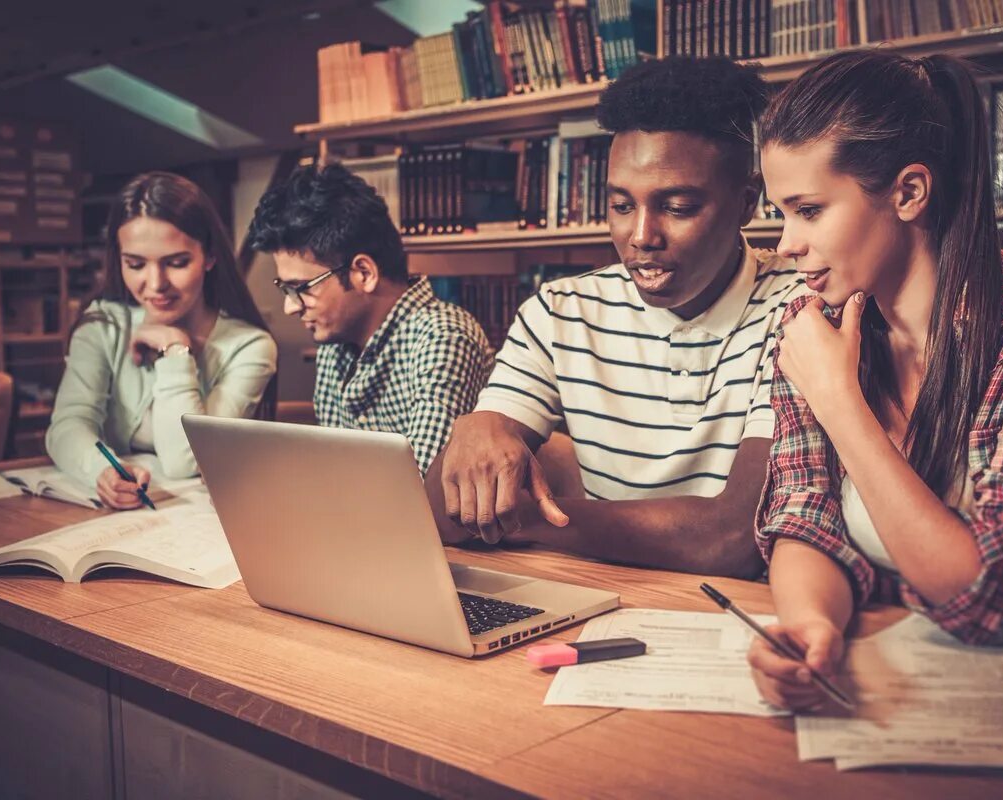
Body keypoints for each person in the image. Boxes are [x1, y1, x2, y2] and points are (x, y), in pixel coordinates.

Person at [749, 50, 1003, 710]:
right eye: (780, 212)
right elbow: (805, 517)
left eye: (809, 210)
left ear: (908, 193)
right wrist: (811, 624)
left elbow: (988, 599)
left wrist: (841, 402)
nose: (785, 243)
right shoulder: (811, 327)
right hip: (919, 672)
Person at [428, 57, 806, 578]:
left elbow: (734, 537)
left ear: (745, 202)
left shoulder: (798, 309)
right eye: (622, 205)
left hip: (748, 619)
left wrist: (516, 518)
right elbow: (444, 512)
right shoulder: (559, 313)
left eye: (676, 206)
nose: (641, 236)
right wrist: (479, 427)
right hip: (602, 594)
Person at [47, 172, 277, 510]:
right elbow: (66, 426)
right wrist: (102, 471)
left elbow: (185, 462)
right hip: (110, 519)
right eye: (136, 264)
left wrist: (174, 350)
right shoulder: (103, 324)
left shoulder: (249, 347)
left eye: (176, 263)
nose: (155, 284)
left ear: (209, 256)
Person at [245, 162, 492, 475]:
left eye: (300, 288)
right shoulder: (335, 342)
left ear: (364, 273)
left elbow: (417, 489)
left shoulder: (444, 337)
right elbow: (336, 471)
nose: (290, 308)